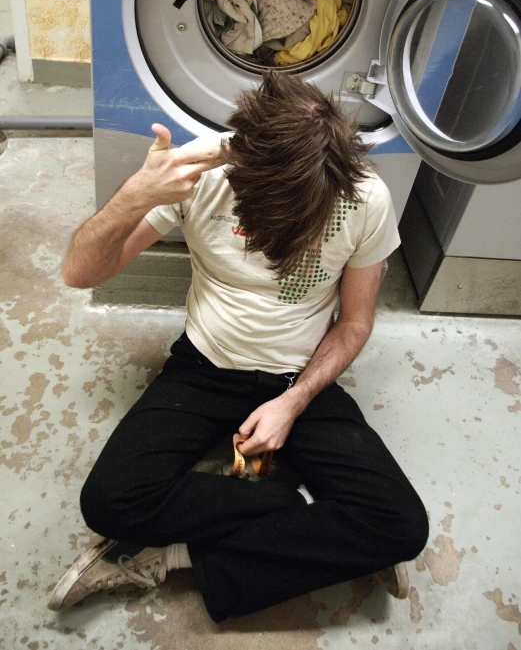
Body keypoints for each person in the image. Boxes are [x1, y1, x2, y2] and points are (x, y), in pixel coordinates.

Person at [48, 72, 428, 621]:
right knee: (109, 501)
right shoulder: (198, 174)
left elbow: (353, 325)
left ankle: (174, 556)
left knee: (402, 525)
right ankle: (305, 522)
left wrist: (292, 402)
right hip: (204, 366)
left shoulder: (364, 196)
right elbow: (79, 272)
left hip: (300, 377)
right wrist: (135, 194)